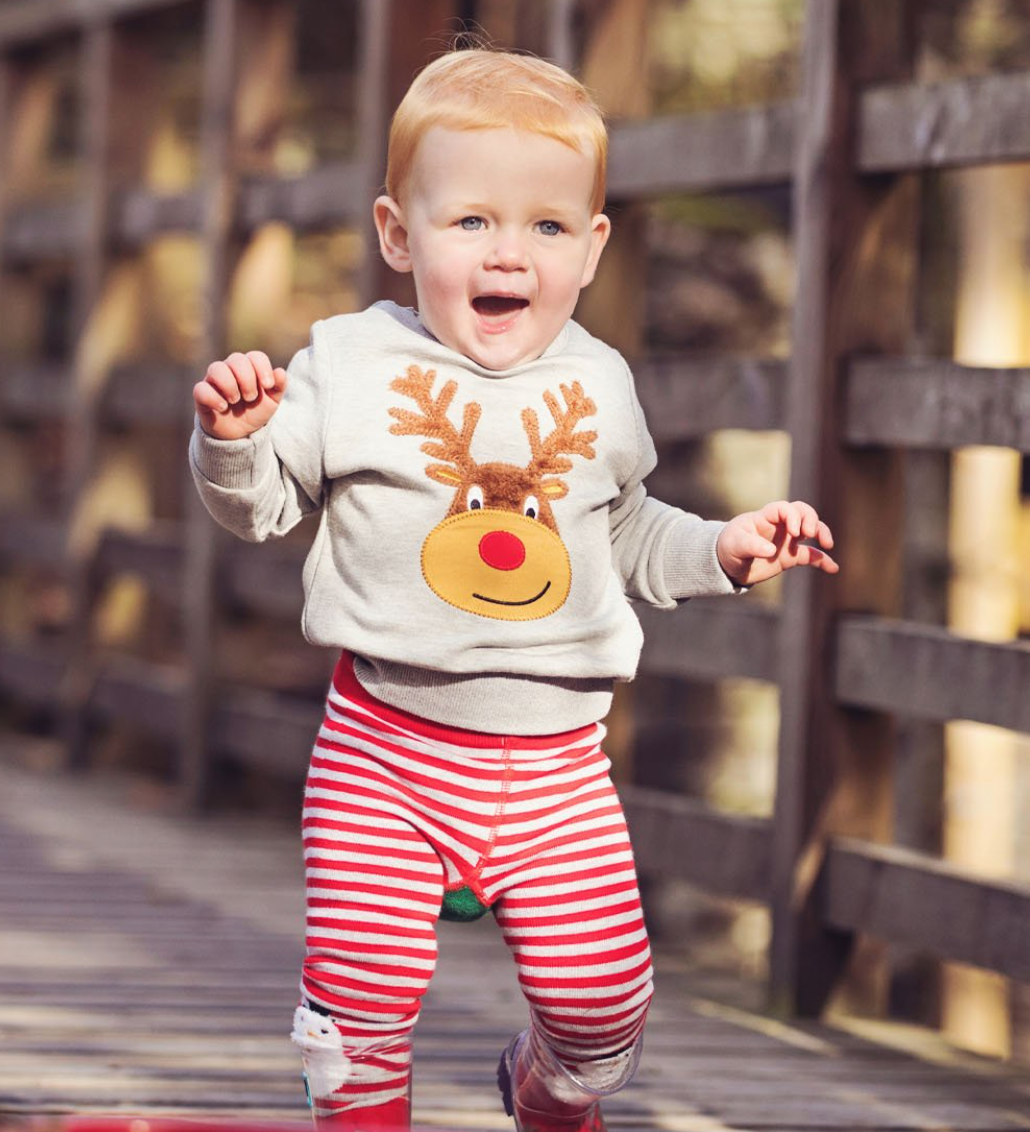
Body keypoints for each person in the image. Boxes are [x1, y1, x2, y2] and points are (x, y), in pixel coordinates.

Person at [189, 47, 837, 1132]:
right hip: (384, 752)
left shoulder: (597, 381)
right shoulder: (346, 363)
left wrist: (724, 546)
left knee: (602, 1009)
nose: (509, 253)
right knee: (362, 1004)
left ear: (589, 250)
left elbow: (624, 530)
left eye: (544, 227)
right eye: (472, 222)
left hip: (556, 773)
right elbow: (260, 506)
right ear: (400, 235)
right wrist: (234, 441)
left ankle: (547, 1083)